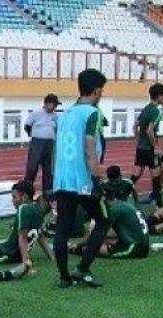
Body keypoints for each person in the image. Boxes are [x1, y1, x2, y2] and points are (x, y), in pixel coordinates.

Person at [52, 68, 110, 288]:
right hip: (83, 181)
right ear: (96, 90)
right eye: (102, 91)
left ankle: (64, 277)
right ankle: (82, 269)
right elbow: (89, 148)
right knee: (104, 220)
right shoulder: (93, 113)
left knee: (63, 228)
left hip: (62, 180)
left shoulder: (65, 113)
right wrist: (96, 179)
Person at [0, 180, 54, 270]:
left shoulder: (23, 208)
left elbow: (29, 237)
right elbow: (30, 237)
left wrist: (26, 261)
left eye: (14, 197)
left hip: (9, 252)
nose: (12, 201)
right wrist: (28, 261)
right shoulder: (36, 208)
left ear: (24, 197)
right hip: (10, 252)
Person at [72, 191, 149, 259]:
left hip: (135, 247)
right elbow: (113, 234)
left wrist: (77, 245)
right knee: (99, 241)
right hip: (140, 243)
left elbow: (97, 234)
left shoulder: (112, 210)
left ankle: (75, 250)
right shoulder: (123, 204)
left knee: (88, 248)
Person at [132, 83, 163, 207]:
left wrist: (138, 141)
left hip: (141, 148)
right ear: (160, 96)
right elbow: (149, 130)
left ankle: (117, 192)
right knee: (155, 177)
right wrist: (155, 146)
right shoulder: (156, 111)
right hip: (150, 149)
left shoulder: (146, 108)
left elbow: (135, 126)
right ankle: (160, 207)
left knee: (136, 175)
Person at [24, 93, 60, 192]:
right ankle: (27, 188)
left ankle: (47, 191)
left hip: (50, 144)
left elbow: (58, 129)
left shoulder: (55, 116)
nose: (55, 107)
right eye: (54, 104)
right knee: (32, 167)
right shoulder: (36, 113)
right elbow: (27, 126)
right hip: (37, 143)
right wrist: (33, 135)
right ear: (47, 103)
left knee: (48, 169)